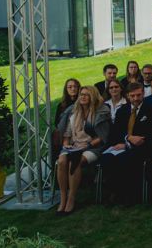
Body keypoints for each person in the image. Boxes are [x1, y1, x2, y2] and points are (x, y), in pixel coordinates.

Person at [100, 83, 152, 204]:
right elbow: (116, 132)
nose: (136, 98)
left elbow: (151, 133)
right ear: (128, 96)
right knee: (107, 157)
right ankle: (114, 190)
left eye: (139, 95)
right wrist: (127, 138)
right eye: (133, 96)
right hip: (122, 144)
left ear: (143, 93)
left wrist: (129, 144)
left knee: (125, 158)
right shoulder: (122, 110)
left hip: (144, 146)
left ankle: (128, 194)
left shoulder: (151, 109)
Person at [55, 85, 110, 215]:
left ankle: (71, 198)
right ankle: (63, 197)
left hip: (92, 147)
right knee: (62, 161)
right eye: (81, 94)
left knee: (75, 161)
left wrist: (86, 146)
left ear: (93, 97)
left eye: (86, 94)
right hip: (74, 145)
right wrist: (66, 144)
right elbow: (67, 132)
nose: (83, 97)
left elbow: (103, 136)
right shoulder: (74, 112)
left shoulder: (101, 111)